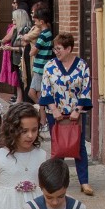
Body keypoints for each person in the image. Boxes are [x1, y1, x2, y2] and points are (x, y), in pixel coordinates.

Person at [37, 31, 94, 195]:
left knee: (79, 147)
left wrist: (78, 110)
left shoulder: (82, 65)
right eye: (55, 49)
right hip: (56, 114)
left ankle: (84, 182)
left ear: (69, 49)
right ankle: (56, 181)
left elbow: (86, 89)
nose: (56, 52)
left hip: (76, 114)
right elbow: (46, 89)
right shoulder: (50, 66)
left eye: (59, 49)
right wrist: (54, 109)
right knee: (58, 147)